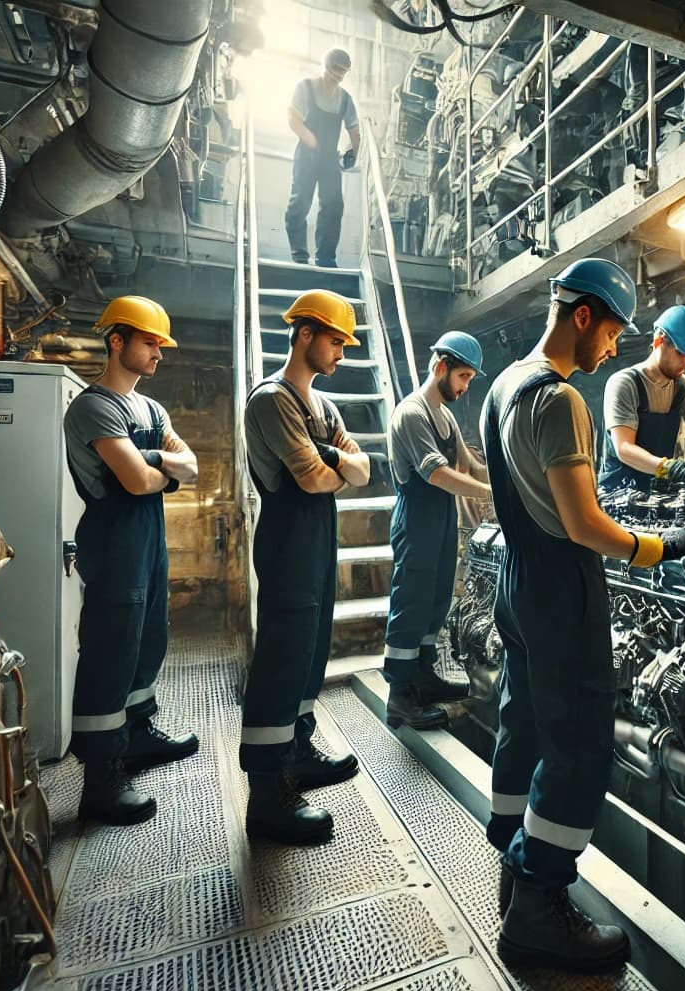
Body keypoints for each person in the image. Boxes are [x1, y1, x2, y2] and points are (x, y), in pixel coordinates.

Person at [480, 258, 685, 973]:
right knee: (579, 741)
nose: (614, 348)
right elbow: (583, 524)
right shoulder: (560, 399)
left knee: (523, 720)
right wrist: (658, 547)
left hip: (517, 579)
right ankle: (540, 909)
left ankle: (514, 870)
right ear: (584, 317)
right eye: (612, 332)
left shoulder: (500, 387)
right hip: (560, 582)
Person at [63, 296, 200, 825]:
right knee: (109, 651)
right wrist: (158, 467)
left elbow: (190, 467)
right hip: (113, 537)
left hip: (148, 538)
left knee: (149, 637)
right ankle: (99, 781)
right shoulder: (95, 406)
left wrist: (153, 460)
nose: (159, 354)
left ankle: (138, 735)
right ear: (116, 341)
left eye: (161, 345)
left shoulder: (152, 409)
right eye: (150, 342)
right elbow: (138, 481)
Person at [240, 289, 369, 846]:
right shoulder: (272, 400)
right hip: (288, 537)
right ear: (305, 335)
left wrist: (331, 460)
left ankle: (298, 747)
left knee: (312, 648)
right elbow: (313, 479)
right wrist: (334, 463)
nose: (341, 352)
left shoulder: (326, 407)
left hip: (318, 538)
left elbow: (362, 470)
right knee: (281, 656)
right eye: (335, 341)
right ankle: (267, 792)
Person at [382, 331, 492, 729]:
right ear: (441, 366)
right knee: (411, 602)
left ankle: (423, 679)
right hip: (417, 517)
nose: (465, 387)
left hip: (443, 518)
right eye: (463, 377)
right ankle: (399, 696)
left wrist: (512, 481)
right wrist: (489, 493)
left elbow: (469, 466)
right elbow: (437, 473)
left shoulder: (445, 416)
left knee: (436, 600)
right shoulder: (412, 413)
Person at [595, 304, 685, 494]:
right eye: (680, 353)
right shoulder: (624, 384)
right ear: (659, 341)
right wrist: (670, 468)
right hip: (618, 496)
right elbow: (624, 448)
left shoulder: (682, 387)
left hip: (656, 494)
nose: (684, 362)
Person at [284, 48, 362, 267]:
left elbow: (354, 131)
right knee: (300, 201)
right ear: (325, 66)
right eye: (334, 69)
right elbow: (293, 119)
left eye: (342, 72)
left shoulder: (345, 99)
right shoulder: (305, 88)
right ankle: (300, 255)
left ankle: (326, 257)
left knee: (333, 204)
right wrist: (311, 140)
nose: (337, 75)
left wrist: (354, 154)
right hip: (307, 154)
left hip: (329, 158)